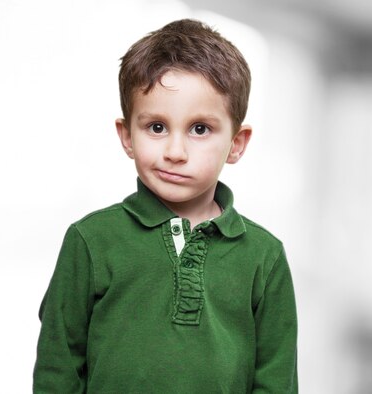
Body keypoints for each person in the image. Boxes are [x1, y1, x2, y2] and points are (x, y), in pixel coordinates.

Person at [33, 18, 298, 393]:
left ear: (237, 143)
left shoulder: (264, 257)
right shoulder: (90, 241)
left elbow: (277, 381)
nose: (175, 152)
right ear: (127, 136)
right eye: (156, 127)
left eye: (200, 129)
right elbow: (56, 368)